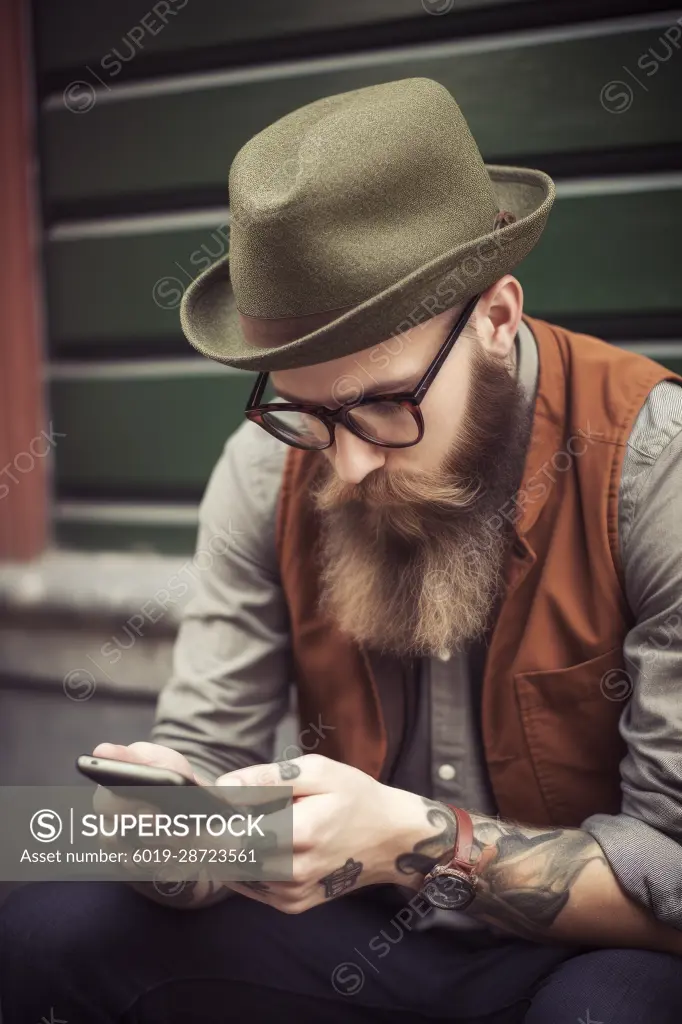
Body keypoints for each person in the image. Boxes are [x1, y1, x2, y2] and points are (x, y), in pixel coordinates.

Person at [1, 77, 681, 1024]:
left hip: (583, 956)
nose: (349, 463)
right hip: (355, 937)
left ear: (496, 317)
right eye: (308, 413)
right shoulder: (263, 470)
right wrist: (170, 832)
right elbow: (203, 750)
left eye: (384, 404)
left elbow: (675, 881)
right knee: (39, 927)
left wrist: (421, 840)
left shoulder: (654, 464)